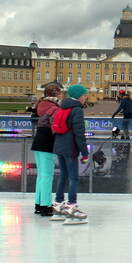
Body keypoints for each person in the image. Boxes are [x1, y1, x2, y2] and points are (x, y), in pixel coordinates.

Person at [51, 84, 90, 224]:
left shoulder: (63, 107)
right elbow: (79, 134)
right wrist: (85, 153)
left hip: (60, 147)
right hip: (70, 148)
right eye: (84, 95)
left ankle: (58, 204)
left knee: (63, 176)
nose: (86, 97)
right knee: (74, 178)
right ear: (78, 96)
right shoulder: (77, 110)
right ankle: (72, 207)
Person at [31, 83, 61, 217]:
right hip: (47, 142)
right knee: (47, 175)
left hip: (38, 141)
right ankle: (46, 205)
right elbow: (56, 127)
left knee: (41, 175)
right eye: (59, 93)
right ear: (55, 94)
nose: (61, 95)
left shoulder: (41, 105)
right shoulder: (54, 108)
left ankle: (39, 203)